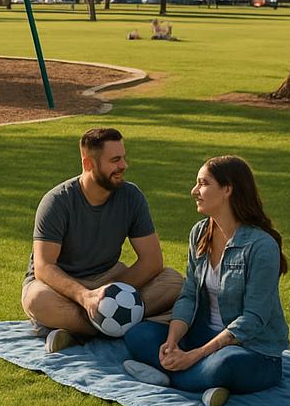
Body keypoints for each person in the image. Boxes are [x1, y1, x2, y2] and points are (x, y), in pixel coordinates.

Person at [123, 156, 289, 406]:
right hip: (200, 336)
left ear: (227, 189)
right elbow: (188, 295)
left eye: (203, 183)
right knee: (138, 335)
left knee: (224, 365)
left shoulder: (261, 246)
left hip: (251, 350)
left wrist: (195, 355)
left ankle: (171, 376)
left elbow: (253, 319)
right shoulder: (199, 233)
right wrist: (172, 342)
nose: (194, 191)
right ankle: (194, 380)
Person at [22, 127, 183, 353]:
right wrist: (86, 297)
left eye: (123, 158)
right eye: (115, 160)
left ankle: (79, 332)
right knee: (37, 300)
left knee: (174, 282)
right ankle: (123, 323)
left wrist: (113, 293)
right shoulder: (57, 201)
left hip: (110, 277)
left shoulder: (131, 196)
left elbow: (152, 261)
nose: (123, 166)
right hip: (62, 286)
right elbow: (44, 267)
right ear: (89, 164)